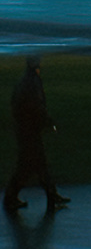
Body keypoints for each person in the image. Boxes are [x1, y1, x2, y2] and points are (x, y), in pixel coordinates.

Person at [6, 58, 68, 212]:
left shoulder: (23, 82)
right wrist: (48, 122)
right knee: (30, 166)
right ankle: (10, 199)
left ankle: (51, 195)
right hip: (30, 131)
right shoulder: (33, 82)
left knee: (37, 165)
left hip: (24, 129)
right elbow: (37, 106)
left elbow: (16, 103)